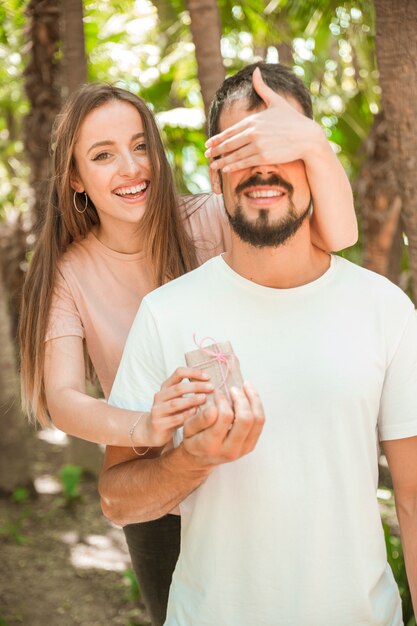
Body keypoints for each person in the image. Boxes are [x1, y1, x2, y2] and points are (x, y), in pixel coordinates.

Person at [19, 75, 356, 625]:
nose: (130, 168)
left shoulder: (210, 219)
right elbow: (61, 399)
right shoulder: (67, 273)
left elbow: (335, 236)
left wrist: (310, 142)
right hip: (159, 494)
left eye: (140, 145)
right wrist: (143, 429)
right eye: (103, 155)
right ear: (76, 178)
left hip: (252, 473)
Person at [100, 62, 417, 626]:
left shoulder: (384, 309)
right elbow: (118, 500)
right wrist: (190, 460)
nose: (262, 168)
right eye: (241, 150)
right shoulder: (167, 313)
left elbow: (415, 500)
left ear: (316, 162)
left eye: (283, 145)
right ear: (215, 170)